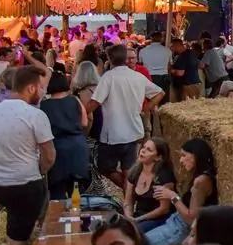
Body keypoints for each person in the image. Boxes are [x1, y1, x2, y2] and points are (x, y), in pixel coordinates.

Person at [0, 66, 54, 245]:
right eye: (40, 87)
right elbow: (49, 156)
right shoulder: (35, 115)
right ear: (30, 88)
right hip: (23, 183)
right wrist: (38, 170)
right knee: (17, 239)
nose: (42, 91)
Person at [92, 44, 165, 190]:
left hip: (113, 133)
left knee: (105, 167)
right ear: (125, 59)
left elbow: (95, 103)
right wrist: (146, 108)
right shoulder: (137, 77)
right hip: (133, 130)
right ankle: (131, 197)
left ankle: (129, 193)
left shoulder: (108, 77)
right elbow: (160, 93)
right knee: (128, 170)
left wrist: (79, 109)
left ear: (109, 59)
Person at [145, 138, 218, 245]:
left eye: (184, 155)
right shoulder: (198, 176)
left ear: (196, 156)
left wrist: (172, 196)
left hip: (180, 228)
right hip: (174, 221)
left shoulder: (201, 181)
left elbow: (191, 219)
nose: (181, 160)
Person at [40, 70, 90, 200]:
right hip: (78, 145)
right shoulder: (75, 100)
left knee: (57, 190)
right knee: (77, 190)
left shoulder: (44, 105)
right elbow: (85, 122)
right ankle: (78, 217)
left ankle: (58, 218)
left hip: (57, 147)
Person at [126, 138, 177, 235]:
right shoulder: (134, 172)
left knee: (133, 232)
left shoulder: (164, 176)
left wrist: (138, 219)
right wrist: (129, 216)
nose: (143, 151)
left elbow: (164, 209)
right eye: (143, 147)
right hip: (139, 216)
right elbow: (128, 201)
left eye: (149, 150)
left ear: (158, 157)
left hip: (159, 218)